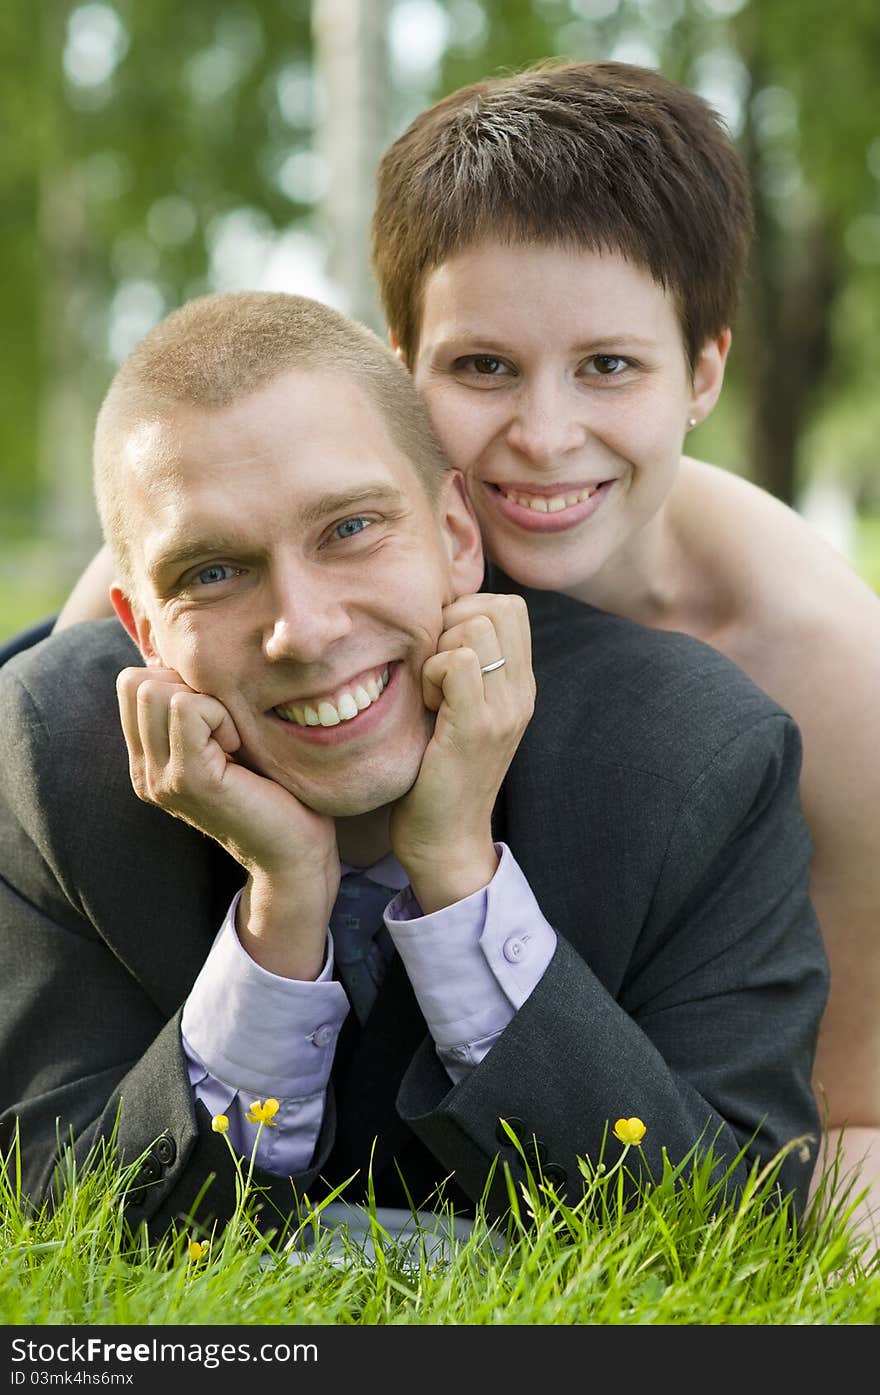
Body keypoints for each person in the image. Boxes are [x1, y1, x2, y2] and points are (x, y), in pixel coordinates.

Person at [0, 290, 827, 1247]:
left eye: (350, 528)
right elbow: (59, 1229)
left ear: (457, 536)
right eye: (212, 573)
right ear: (142, 630)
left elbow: (740, 1235)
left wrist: (458, 877)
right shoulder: (41, 767)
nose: (303, 630)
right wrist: (284, 907)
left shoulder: (696, 760)